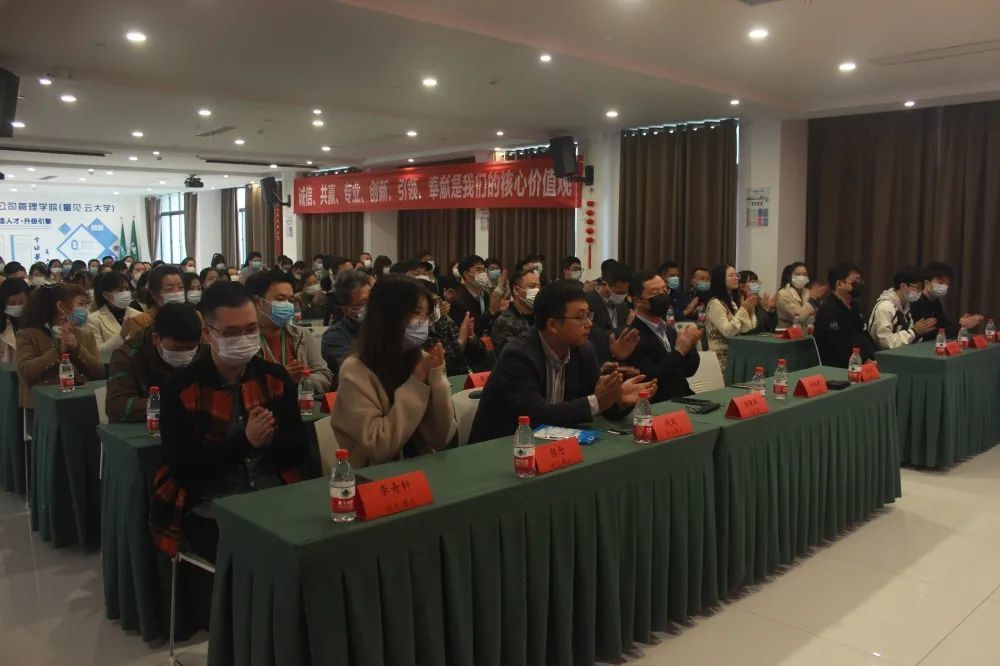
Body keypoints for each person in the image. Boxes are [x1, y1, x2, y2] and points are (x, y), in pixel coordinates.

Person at [151, 281, 309, 560]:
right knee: (259, 555)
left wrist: (269, 440)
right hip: (212, 505)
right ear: (208, 333)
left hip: (274, 494)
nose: (243, 339)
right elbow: (185, 470)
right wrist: (246, 442)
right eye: (231, 333)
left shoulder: (274, 377)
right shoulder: (181, 388)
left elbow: (298, 451)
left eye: (251, 329)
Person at [469, 280, 656, 444]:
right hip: (502, 448)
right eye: (580, 317)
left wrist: (618, 399)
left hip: (553, 444)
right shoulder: (518, 355)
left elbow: (597, 405)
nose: (589, 323)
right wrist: (597, 402)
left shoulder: (583, 351)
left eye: (588, 315)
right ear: (552, 325)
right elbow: (535, 415)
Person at [331, 275, 457, 467]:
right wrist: (416, 382)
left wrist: (437, 380)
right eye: (416, 313)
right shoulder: (355, 370)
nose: (422, 322)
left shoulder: (421, 359)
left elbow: (440, 438)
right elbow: (379, 447)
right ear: (388, 316)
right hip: (374, 475)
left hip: (420, 468)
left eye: (425, 315)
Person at [15, 284, 105, 423]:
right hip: (45, 408)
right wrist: (57, 351)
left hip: (83, 403)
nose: (84, 310)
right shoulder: (28, 335)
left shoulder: (85, 335)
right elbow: (26, 372)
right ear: (61, 306)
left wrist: (77, 348)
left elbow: (100, 373)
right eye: (80, 304)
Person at [106, 303, 202, 422]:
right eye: (177, 348)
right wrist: (169, 404)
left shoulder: (203, 352)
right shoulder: (126, 356)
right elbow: (117, 406)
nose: (184, 353)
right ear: (156, 338)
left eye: (190, 348)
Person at [246, 270, 333, 393]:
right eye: (280, 299)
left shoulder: (301, 335)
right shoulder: (245, 340)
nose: (287, 305)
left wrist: (302, 379)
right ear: (258, 302)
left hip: (299, 402)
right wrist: (282, 378)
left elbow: (325, 377)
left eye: (290, 300)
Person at [624, 270, 701, 402]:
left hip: (684, 398)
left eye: (665, 291)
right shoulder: (633, 337)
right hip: (658, 404)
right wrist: (679, 351)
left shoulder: (670, 331)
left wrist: (690, 348)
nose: (662, 296)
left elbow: (689, 371)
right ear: (637, 301)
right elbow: (652, 378)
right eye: (655, 293)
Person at [814, 262, 877, 366]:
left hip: (863, 361)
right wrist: (864, 361)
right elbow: (836, 347)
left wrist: (874, 356)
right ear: (839, 284)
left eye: (859, 280)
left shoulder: (854, 307)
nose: (859, 284)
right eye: (855, 281)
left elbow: (863, 335)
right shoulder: (829, 310)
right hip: (840, 367)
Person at [425, 285, 491, 375]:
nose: (439, 305)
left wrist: (472, 338)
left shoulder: (447, 322)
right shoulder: (423, 334)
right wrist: (460, 342)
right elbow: (446, 367)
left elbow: (480, 356)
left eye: (438, 301)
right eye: (432, 304)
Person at [868, 267, 938, 350]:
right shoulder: (885, 306)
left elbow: (909, 337)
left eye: (921, 289)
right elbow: (885, 342)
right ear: (903, 286)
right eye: (917, 288)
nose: (920, 292)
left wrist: (919, 332)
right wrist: (914, 331)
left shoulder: (906, 306)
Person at [910, 262, 984, 340]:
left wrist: (962, 323)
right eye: (940, 282)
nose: (944, 286)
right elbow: (930, 334)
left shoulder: (935, 302)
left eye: (946, 284)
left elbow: (945, 325)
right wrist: (961, 325)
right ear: (927, 282)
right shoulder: (917, 302)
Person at [704, 264, 757, 372]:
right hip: (720, 358)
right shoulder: (715, 303)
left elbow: (747, 329)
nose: (736, 278)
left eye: (736, 275)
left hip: (735, 353)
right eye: (731, 275)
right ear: (721, 279)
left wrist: (750, 311)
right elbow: (728, 332)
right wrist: (743, 310)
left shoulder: (732, 302)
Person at [321, 269, 370, 379]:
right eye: (362, 303)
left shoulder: (385, 327)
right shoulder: (334, 337)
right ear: (345, 309)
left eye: (372, 300)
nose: (370, 306)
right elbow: (357, 371)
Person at [448, 255, 506, 337]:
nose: (483, 274)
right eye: (478, 270)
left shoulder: (486, 295)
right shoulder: (457, 301)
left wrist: (499, 312)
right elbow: (470, 331)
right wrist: (491, 312)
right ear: (466, 275)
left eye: (484, 270)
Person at [86, 272, 140, 357]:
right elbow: (98, 354)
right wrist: (121, 335)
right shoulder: (93, 319)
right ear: (106, 295)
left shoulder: (138, 314)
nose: (125, 293)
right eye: (120, 290)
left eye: (127, 289)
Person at [123, 264, 185, 339]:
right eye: (169, 289)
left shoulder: (194, 316)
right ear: (154, 294)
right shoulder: (140, 322)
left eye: (181, 287)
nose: (177, 292)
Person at [490, 269, 540, 354]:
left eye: (539, 286)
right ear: (516, 290)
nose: (537, 290)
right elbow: (512, 355)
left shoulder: (541, 317)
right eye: (532, 286)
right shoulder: (504, 323)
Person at [585, 261, 632, 334]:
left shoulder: (624, 306)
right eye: (619, 293)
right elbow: (595, 335)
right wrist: (627, 326)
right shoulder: (587, 303)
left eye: (624, 293)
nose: (621, 297)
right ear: (604, 284)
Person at [776, 262, 817, 329]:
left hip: (807, 333)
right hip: (787, 333)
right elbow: (799, 317)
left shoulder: (807, 292)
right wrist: (812, 299)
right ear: (790, 277)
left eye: (805, 274)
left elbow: (813, 317)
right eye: (798, 274)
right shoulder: (782, 294)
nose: (801, 277)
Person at [0, 278, 29, 363]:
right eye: (12, 303)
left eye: (21, 302)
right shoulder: (3, 323)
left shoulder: (37, 322)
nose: (17, 306)